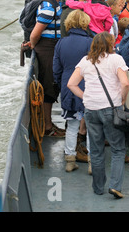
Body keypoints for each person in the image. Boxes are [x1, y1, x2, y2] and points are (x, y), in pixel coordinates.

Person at [67, 32, 129, 198]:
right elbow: (125, 83)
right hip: (111, 108)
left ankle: (98, 187)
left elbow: (71, 84)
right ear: (110, 44)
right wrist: (122, 98)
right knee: (117, 149)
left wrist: (85, 96)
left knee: (95, 150)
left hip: (91, 109)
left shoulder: (86, 61)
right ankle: (115, 186)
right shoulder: (116, 59)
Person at [26, 0, 72, 137]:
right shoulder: (49, 8)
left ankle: (48, 124)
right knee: (48, 87)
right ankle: (47, 127)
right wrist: (33, 44)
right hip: (46, 49)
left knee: (51, 86)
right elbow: (36, 33)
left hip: (52, 47)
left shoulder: (55, 2)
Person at [53, 10, 93, 173]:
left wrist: (60, 83)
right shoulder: (90, 42)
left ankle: (70, 159)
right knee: (91, 126)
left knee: (72, 125)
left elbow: (56, 69)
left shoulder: (61, 43)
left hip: (68, 87)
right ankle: (92, 162)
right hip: (88, 87)